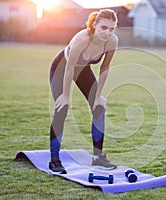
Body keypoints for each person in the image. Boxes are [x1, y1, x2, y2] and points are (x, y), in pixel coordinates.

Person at [48, 9, 118, 174]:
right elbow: (70, 67)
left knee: (98, 108)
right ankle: (54, 161)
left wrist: (98, 96)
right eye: (103, 28)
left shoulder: (112, 42)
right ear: (94, 25)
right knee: (61, 109)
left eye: (112, 28)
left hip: (83, 69)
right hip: (61, 68)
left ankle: (98, 158)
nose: (108, 32)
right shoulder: (82, 38)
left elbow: (105, 67)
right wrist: (65, 95)